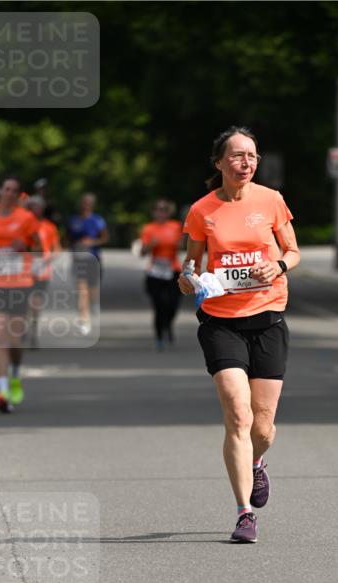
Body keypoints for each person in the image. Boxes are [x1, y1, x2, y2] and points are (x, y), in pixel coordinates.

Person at [180, 125, 300, 544]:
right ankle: (244, 513)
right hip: (221, 322)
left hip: (267, 318)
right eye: (237, 155)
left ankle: (256, 462)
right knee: (238, 414)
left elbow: (293, 251)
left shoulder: (271, 200)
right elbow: (191, 265)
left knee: (262, 429)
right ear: (219, 163)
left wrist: (277, 266)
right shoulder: (202, 210)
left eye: (251, 155)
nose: (246, 162)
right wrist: (188, 279)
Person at [0, 177, 41, 412]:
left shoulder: (26, 218)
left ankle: (14, 373)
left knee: (15, 341)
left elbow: (38, 248)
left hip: (19, 282)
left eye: (15, 190)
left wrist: (25, 248)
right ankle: (2, 391)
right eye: (7, 189)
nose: (10, 193)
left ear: (18, 194)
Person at [139, 199, 183, 349]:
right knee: (159, 305)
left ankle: (168, 324)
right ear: (153, 212)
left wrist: (180, 243)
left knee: (173, 304)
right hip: (155, 271)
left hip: (173, 269)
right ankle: (159, 336)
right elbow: (142, 252)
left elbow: (182, 245)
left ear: (168, 212)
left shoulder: (175, 226)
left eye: (164, 209)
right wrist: (151, 245)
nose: (161, 212)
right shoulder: (148, 228)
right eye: (158, 209)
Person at [66, 192, 108, 335]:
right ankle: (84, 320)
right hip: (79, 260)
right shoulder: (73, 220)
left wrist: (92, 242)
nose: (86, 205)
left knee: (92, 289)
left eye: (89, 203)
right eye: (84, 202)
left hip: (93, 259)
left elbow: (105, 238)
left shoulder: (97, 220)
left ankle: (94, 303)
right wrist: (74, 247)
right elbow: (67, 238)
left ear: (92, 205)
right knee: (82, 291)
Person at [26, 194, 62, 347]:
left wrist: (49, 259)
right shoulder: (23, 224)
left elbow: (57, 249)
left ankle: (33, 332)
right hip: (24, 267)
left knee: (36, 302)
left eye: (38, 207)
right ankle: (22, 328)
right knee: (22, 300)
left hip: (42, 267)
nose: (36, 210)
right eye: (32, 206)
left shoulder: (49, 226)